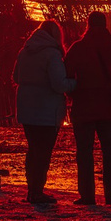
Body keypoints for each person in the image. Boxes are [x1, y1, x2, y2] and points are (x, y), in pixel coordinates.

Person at [62, 11, 111, 208]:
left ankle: (87, 196)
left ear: (88, 25)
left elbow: (66, 75)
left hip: (83, 109)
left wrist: (74, 92)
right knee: (110, 152)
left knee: (84, 153)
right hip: (108, 109)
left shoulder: (78, 48)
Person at [13, 20, 75, 206]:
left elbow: (16, 76)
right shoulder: (52, 54)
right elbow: (59, 84)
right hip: (46, 111)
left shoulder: (25, 51)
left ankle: (32, 189)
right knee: (43, 153)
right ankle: (37, 190)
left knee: (33, 151)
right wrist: (76, 84)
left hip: (27, 110)